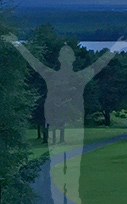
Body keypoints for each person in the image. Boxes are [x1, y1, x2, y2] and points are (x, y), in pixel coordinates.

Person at [2, 35, 119, 204]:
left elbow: (32, 60)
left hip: (70, 126)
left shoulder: (56, 75)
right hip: (61, 125)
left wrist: (17, 44)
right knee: (64, 170)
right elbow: (98, 64)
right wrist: (115, 48)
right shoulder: (72, 76)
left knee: (66, 170)